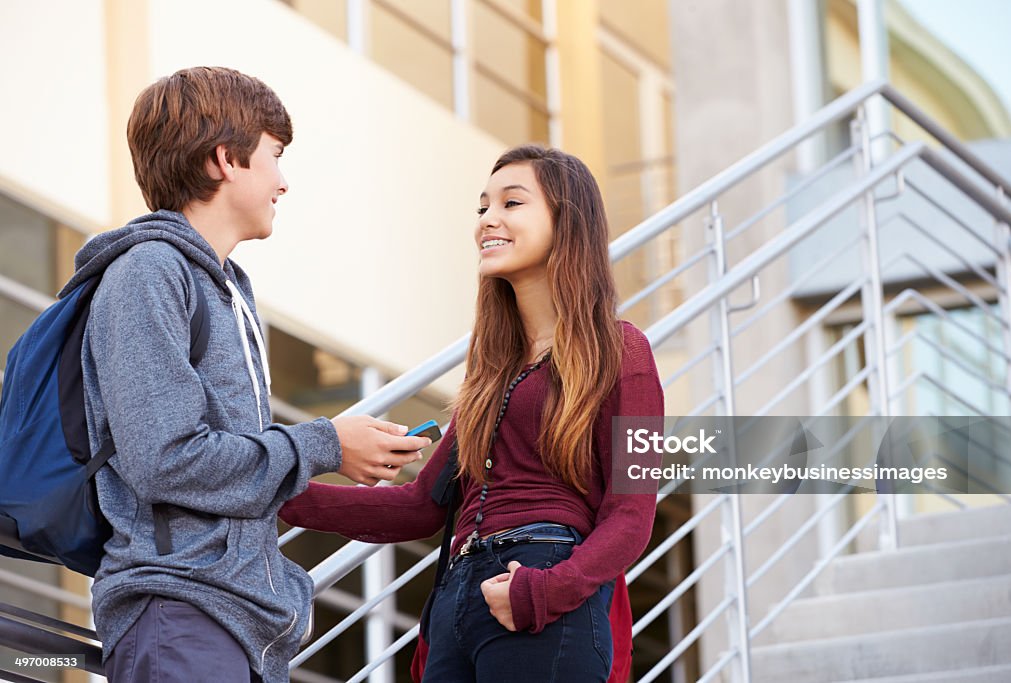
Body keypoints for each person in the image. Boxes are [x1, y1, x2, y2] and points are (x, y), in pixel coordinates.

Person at [69, 66, 433, 683]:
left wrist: (327, 456)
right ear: (224, 160)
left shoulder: (230, 288)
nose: (283, 181)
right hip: (180, 612)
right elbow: (166, 458)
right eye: (275, 155)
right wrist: (326, 444)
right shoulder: (148, 274)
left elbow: (225, 464)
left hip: (237, 621)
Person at [280, 144, 665, 682]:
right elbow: (421, 508)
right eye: (482, 207)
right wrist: (276, 487)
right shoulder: (491, 373)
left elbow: (632, 515)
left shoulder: (624, 351)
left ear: (567, 220)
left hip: (542, 591)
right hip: (457, 602)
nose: (489, 220)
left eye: (512, 203)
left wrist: (548, 589)